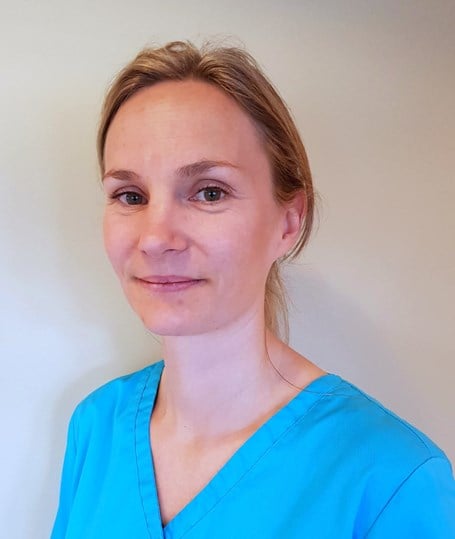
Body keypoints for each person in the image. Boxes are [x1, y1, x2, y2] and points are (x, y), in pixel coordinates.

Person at [51, 41, 455, 538]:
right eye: (130, 196)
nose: (155, 239)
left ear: (288, 221)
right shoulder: (95, 427)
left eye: (209, 192)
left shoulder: (393, 479)